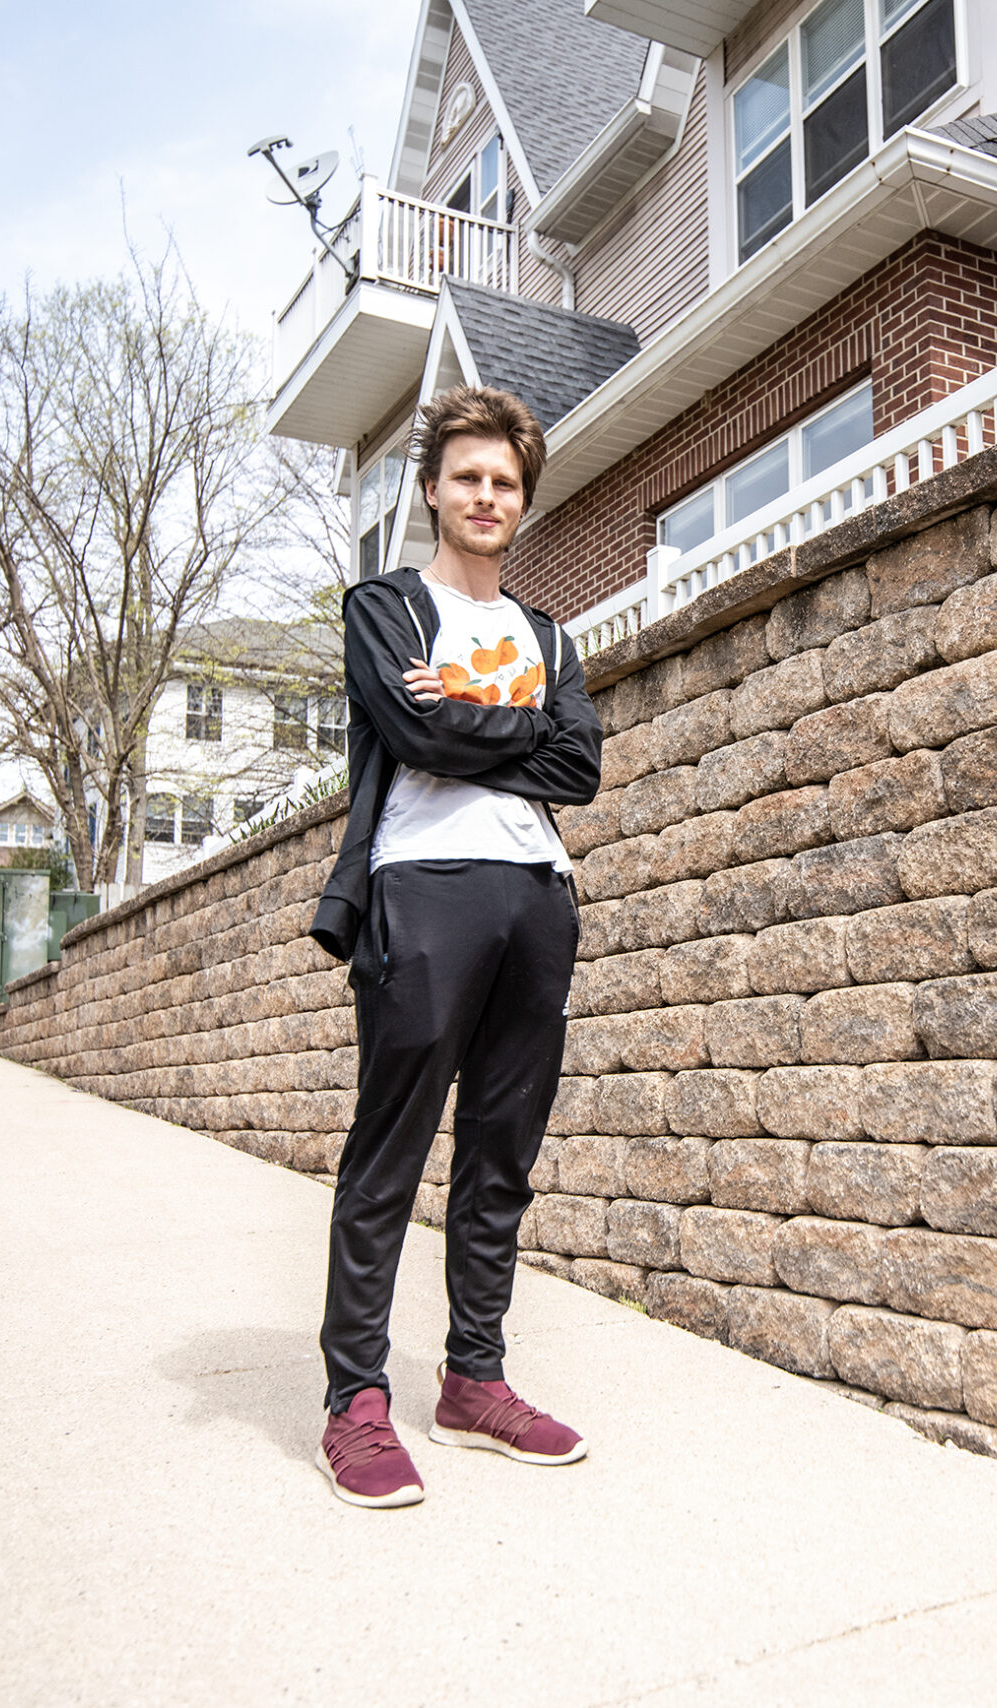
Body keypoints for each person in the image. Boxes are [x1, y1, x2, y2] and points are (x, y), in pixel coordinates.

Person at [304, 385, 602, 1508]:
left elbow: (581, 767)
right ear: (432, 489)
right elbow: (414, 725)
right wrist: (512, 732)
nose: (486, 496)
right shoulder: (384, 607)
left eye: (506, 483)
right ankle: (355, 1403)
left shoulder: (546, 634)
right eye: (468, 477)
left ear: (523, 504)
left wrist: (475, 726)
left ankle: (475, 1377)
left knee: (499, 1155)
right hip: (422, 887)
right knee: (389, 1149)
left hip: (540, 896)